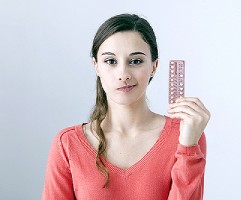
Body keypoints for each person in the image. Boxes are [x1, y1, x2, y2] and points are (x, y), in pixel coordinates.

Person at [42, 13, 210, 200]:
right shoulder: (67, 144)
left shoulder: (186, 135)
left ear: (154, 67)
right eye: (111, 61)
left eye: (136, 61)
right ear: (96, 66)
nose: (123, 74)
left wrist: (188, 148)